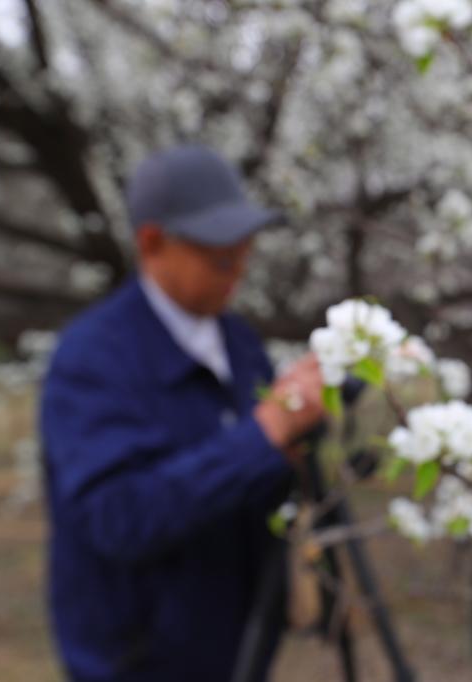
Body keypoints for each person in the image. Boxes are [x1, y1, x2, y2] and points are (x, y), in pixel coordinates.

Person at [40, 145, 326, 681]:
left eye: (245, 252)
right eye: (221, 257)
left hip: (238, 648)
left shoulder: (239, 344)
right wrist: (264, 434)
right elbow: (119, 517)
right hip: (137, 660)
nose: (238, 270)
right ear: (152, 243)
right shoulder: (92, 359)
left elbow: (261, 472)